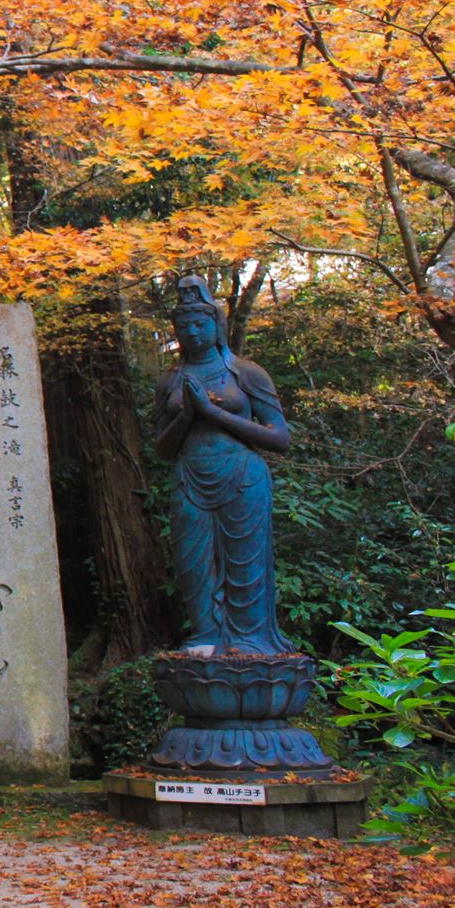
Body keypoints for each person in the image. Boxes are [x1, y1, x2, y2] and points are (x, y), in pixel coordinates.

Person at [153, 276, 294, 657]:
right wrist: (187, 415)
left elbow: (279, 438)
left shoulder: (246, 373)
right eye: (184, 326)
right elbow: (162, 449)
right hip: (190, 475)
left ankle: (250, 641)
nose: (193, 332)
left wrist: (213, 412)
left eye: (201, 323)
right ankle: (205, 635)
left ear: (218, 326)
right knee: (193, 565)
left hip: (242, 476)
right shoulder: (170, 379)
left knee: (244, 563)